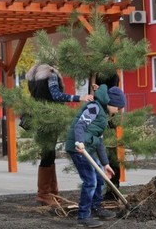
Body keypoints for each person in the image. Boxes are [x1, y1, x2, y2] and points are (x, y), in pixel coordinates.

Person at [26, 64, 94, 206]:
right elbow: (56, 96)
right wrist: (80, 97)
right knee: (48, 154)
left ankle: (51, 193)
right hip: (51, 118)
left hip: (38, 117)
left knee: (48, 154)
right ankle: (45, 194)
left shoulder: (33, 76)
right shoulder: (51, 75)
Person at [65, 84, 126, 227]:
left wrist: (105, 164)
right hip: (78, 148)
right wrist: (79, 142)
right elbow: (80, 125)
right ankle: (83, 216)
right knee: (90, 181)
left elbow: (99, 141)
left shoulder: (102, 115)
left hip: (88, 147)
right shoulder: (94, 108)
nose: (117, 111)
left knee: (100, 178)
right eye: (118, 108)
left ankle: (96, 207)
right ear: (111, 103)